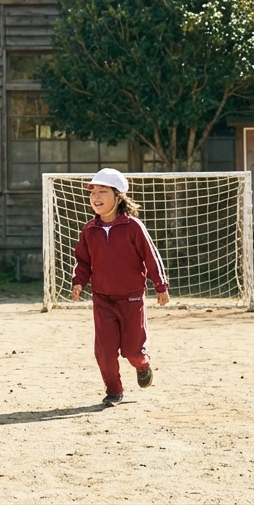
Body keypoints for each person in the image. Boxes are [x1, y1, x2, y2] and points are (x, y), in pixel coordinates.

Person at [69, 168, 170, 407]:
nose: (96, 197)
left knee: (133, 351)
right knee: (104, 352)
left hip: (132, 299)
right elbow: (83, 261)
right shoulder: (89, 230)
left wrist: (160, 285)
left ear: (118, 196)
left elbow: (151, 257)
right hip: (102, 299)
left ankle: (142, 364)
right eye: (93, 192)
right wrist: (78, 282)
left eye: (103, 191)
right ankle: (114, 391)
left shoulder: (133, 226)